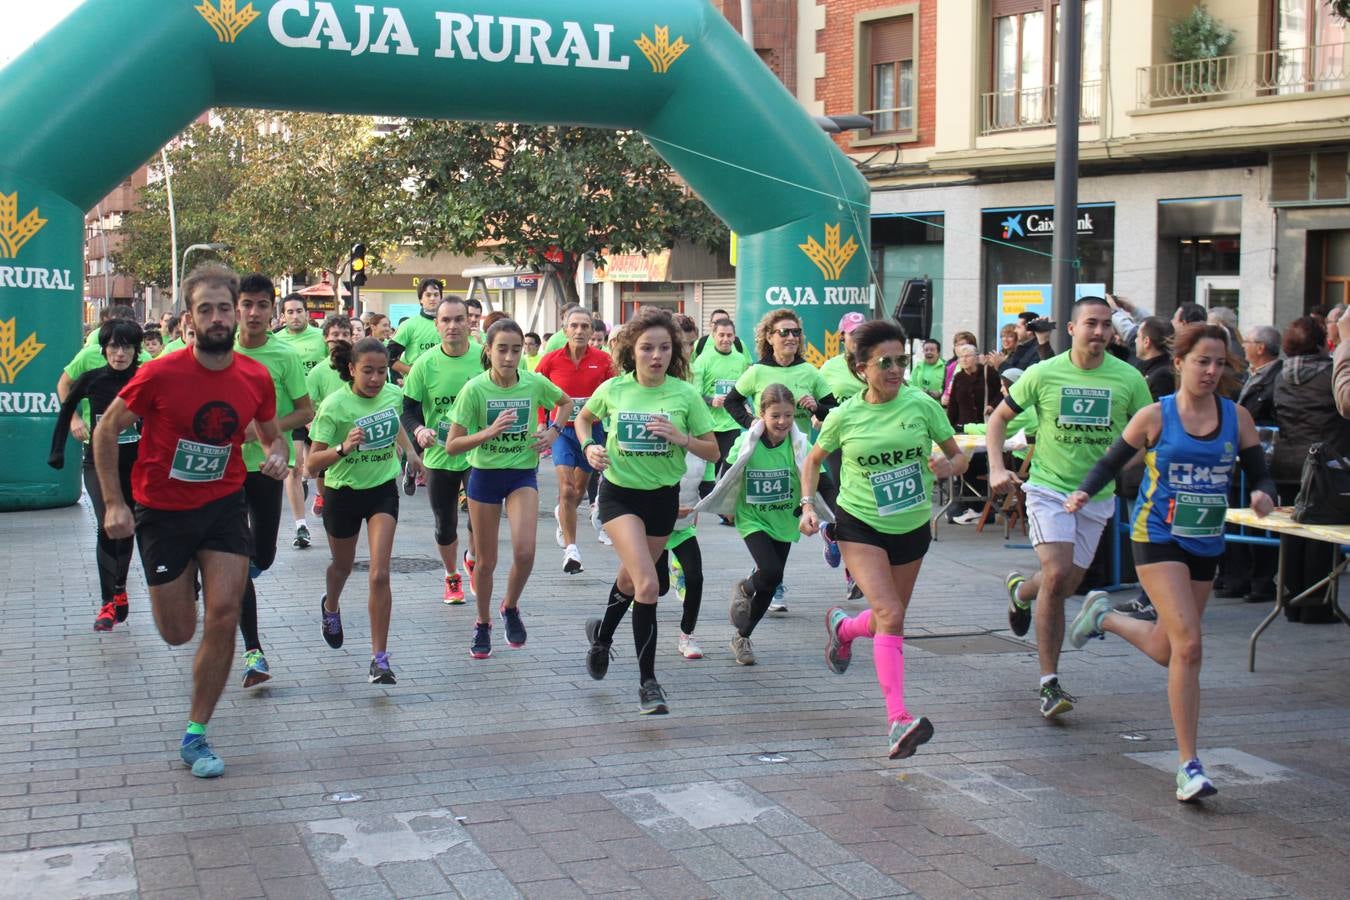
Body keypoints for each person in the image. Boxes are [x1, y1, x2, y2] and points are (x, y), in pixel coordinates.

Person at [1064, 324, 1276, 802]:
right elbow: (1110, 462)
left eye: (1220, 362)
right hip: (1157, 536)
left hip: (1204, 538)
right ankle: (1189, 766)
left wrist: (1264, 492)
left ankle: (1105, 617)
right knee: (1192, 644)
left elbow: (1261, 471)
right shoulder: (1154, 416)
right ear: (1179, 363)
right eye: (1203, 361)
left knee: (1169, 650)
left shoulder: (1236, 416)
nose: (1212, 371)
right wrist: (1082, 490)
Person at [93, 264, 289, 778]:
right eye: (207, 309)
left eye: (226, 307)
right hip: (162, 512)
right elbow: (107, 430)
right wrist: (115, 504)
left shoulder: (255, 375)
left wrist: (278, 453)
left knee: (224, 613)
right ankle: (181, 588)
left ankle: (196, 733)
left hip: (224, 506)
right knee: (179, 631)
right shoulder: (159, 373)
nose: (219, 317)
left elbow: (272, 434)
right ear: (189, 319)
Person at [802, 320, 967, 760]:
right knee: (891, 613)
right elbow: (814, 460)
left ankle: (844, 628)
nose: (895, 370)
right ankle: (897, 719)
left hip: (911, 526)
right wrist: (807, 505)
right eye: (885, 363)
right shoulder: (844, 415)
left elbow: (958, 454)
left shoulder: (921, 405)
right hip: (860, 523)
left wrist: (949, 466)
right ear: (861, 368)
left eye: (901, 361)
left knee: (884, 620)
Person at [986, 296, 1153, 718]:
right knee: (1059, 574)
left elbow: (1148, 435)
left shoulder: (1129, 378)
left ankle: (1021, 590)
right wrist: (993, 468)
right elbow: (998, 419)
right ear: (1073, 329)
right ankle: (1049, 683)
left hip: (1095, 497)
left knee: (1065, 584)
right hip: (1048, 488)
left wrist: (1115, 469)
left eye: (1105, 325)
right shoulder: (1044, 373)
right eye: (1090, 324)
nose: (1098, 332)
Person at [577, 307, 718, 714]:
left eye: (664, 348)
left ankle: (602, 636)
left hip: (662, 500)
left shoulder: (684, 394)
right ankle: (648, 683)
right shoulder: (615, 389)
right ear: (631, 351)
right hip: (620, 496)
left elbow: (713, 450)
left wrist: (681, 437)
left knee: (630, 579)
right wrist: (590, 446)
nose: (655, 356)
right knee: (649, 585)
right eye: (646, 348)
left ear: (673, 352)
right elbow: (584, 420)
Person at [447, 318, 570, 659]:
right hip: (484, 475)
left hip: (521, 474)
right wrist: (488, 432)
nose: (509, 357)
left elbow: (567, 403)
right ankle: (482, 622)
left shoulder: (532, 383)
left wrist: (554, 431)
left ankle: (510, 607)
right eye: (502, 349)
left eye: (516, 350)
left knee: (525, 552)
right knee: (486, 562)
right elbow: (453, 446)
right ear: (488, 351)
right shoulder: (475, 389)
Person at [308, 338, 424, 684]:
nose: (376, 379)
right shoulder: (335, 406)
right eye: (368, 371)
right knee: (342, 567)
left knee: (379, 573)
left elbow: (395, 423)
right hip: (342, 492)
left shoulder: (391, 393)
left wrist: (411, 454)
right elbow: (311, 464)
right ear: (351, 370)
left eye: (382, 371)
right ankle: (331, 606)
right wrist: (344, 447)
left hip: (381, 490)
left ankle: (380, 659)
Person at [725, 309, 840, 610]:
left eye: (796, 332)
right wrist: (751, 421)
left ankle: (833, 535)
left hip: (800, 458)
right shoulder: (757, 371)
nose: (791, 337)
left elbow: (833, 408)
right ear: (769, 337)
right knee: (773, 524)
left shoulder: (810, 372)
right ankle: (769, 580)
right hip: (766, 458)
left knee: (834, 501)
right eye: (784, 332)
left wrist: (817, 407)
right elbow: (731, 400)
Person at [232, 274, 315, 688]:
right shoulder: (215, 350)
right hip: (223, 471)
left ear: (273, 310)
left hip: (267, 468)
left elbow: (306, 412)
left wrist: (264, 430)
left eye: (261, 305)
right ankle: (254, 652)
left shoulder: (283, 355)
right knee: (237, 559)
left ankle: (227, 578)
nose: (253, 313)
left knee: (260, 556)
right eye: (246, 304)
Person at [702, 384, 812, 665]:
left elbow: (819, 477)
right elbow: (727, 474)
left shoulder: (799, 444)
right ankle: (746, 587)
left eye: (788, 416)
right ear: (761, 414)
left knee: (771, 582)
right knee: (771, 571)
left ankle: (742, 636)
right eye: (775, 415)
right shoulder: (746, 441)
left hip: (785, 517)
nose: (783, 422)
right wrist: (723, 505)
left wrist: (819, 510)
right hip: (752, 517)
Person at [49, 320, 144, 631]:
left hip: (135, 463)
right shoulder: (93, 379)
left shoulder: (146, 377)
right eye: (114, 347)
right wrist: (58, 451)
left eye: (126, 347)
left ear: (135, 350)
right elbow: (66, 409)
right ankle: (106, 603)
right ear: (103, 350)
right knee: (107, 523)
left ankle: (119, 588)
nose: (119, 353)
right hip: (98, 463)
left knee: (126, 525)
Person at [401, 296, 484, 605]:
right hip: (440, 454)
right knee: (444, 522)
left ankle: (473, 557)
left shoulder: (483, 357)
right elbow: (407, 410)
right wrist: (419, 430)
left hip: (478, 453)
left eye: (458, 319)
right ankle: (451, 576)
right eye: (445, 320)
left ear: (469, 322)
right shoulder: (424, 365)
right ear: (436, 325)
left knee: (479, 517)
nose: (452, 326)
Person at [1272, 316, 1349, 624]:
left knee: (1294, 532)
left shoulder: (1280, 374)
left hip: (1287, 463)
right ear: (1320, 342)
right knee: (1320, 533)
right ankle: (1316, 605)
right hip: (1324, 465)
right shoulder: (1331, 373)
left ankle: (1291, 601)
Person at [534, 308, 614, 575]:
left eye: (585, 326)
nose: (580, 331)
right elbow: (536, 389)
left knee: (579, 490)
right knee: (567, 488)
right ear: (565, 330)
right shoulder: (550, 360)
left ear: (592, 331)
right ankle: (572, 551)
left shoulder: (604, 361)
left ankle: (563, 516)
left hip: (592, 431)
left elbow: (614, 395)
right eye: (574, 326)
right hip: (562, 431)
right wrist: (542, 421)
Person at [273, 294, 328, 549]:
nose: (295, 316)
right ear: (282, 315)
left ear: (307, 313)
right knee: (294, 468)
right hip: (293, 413)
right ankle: (301, 526)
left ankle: (320, 494)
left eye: (299, 311)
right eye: (290, 312)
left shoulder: (321, 339)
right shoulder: (276, 341)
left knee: (317, 469)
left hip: (321, 413)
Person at [692, 316, 752, 494]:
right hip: (708, 423)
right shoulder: (703, 359)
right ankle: (704, 496)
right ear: (714, 335)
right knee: (710, 466)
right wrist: (712, 400)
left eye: (729, 335)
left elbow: (744, 390)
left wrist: (746, 407)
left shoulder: (740, 359)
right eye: (721, 335)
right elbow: (695, 394)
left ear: (734, 337)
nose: (726, 339)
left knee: (730, 463)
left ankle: (723, 503)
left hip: (731, 422)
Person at [389, 279, 444, 378]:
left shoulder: (450, 324)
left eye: (436, 295)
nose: (432, 298)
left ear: (441, 298)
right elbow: (388, 357)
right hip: (416, 389)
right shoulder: (409, 325)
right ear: (420, 300)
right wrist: (414, 372)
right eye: (428, 295)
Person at [818, 312, 866, 404]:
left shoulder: (877, 363)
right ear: (842, 336)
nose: (859, 337)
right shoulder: (829, 367)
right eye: (853, 333)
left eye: (862, 332)